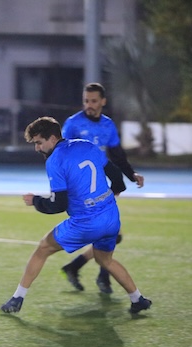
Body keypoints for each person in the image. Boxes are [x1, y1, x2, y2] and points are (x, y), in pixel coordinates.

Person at [0, 116, 152, 315]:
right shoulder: (86, 145)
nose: (37, 148)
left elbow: (58, 205)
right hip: (111, 217)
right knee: (105, 260)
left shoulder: (55, 160)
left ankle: (17, 298)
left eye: (39, 142)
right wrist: (107, 197)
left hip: (86, 223)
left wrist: (35, 201)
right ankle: (137, 299)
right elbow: (117, 177)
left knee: (43, 248)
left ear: (52, 138)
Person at [60, 82, 145, 294]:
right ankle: (100, 277)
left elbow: (117, 155)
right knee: (108, 232)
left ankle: (79, 269)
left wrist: (131, 174)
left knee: (110, 234)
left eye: (94, 101)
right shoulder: (73, 124)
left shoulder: (108, 125)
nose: (89, 105)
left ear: (103, 102)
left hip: (99, 185)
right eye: (86, 101)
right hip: (80, 188)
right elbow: (60, 153)